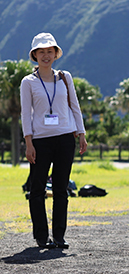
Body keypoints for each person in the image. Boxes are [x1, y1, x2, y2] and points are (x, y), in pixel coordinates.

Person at [20, 32, 87, 249]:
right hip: (40, 140)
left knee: (61, 189)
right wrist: (28, 143)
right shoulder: (28, 82)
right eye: (42, 51)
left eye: (50, 51)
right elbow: (25, 114)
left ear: (56, 54)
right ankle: (41, 236)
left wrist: (81, 133)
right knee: (37, 189)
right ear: (35, 55)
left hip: (65, 138)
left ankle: (59, 236)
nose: (46, 55)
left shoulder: (65, 77)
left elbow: (74, 106)